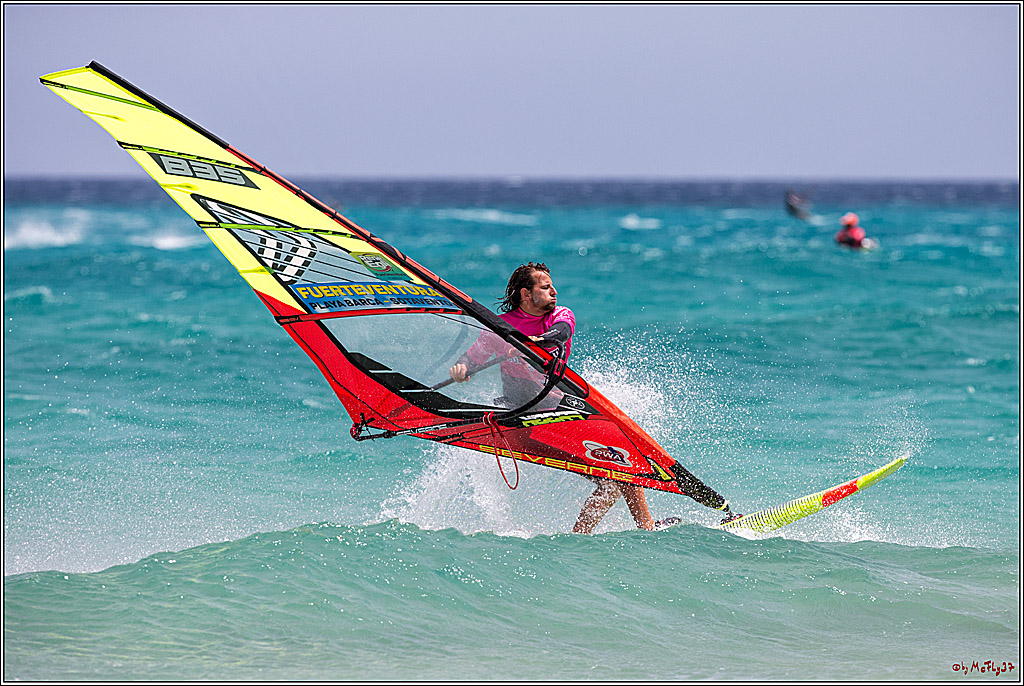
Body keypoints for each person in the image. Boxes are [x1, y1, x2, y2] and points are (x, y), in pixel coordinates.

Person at [448, 262, 665, 534]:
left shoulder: (559, 316)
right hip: (522, 416)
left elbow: (560, 334)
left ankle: (594, 534)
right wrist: (461, 369)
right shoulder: (501, 328)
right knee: (617, 471)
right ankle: (637, 528)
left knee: (618, 469)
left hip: (557, 411)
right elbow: (472, 357)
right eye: (546, 287)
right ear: (526, 294)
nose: (555, 291)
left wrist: (532, 343)